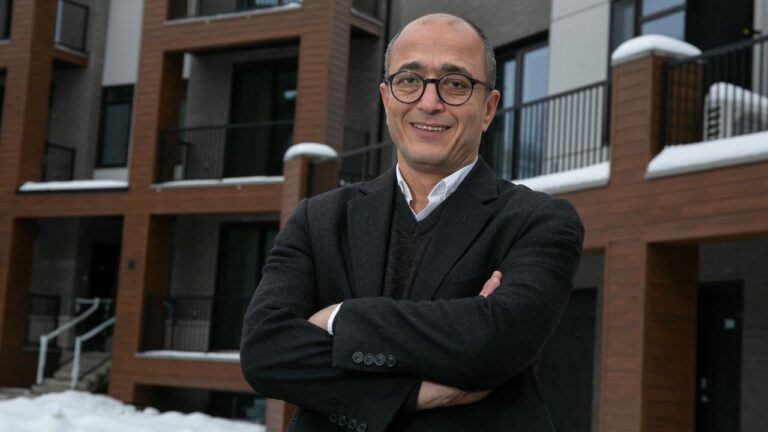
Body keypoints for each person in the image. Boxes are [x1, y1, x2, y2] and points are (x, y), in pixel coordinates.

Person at [241, 13, 584, 432]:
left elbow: (494, 341)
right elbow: (265, 351)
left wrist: (338, 318)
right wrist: (411, 393)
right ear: (386, 97)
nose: (429, 101)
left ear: (489, 107)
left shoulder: (540, 221)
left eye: (455, 84)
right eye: (410, 80)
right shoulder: (320, 219)